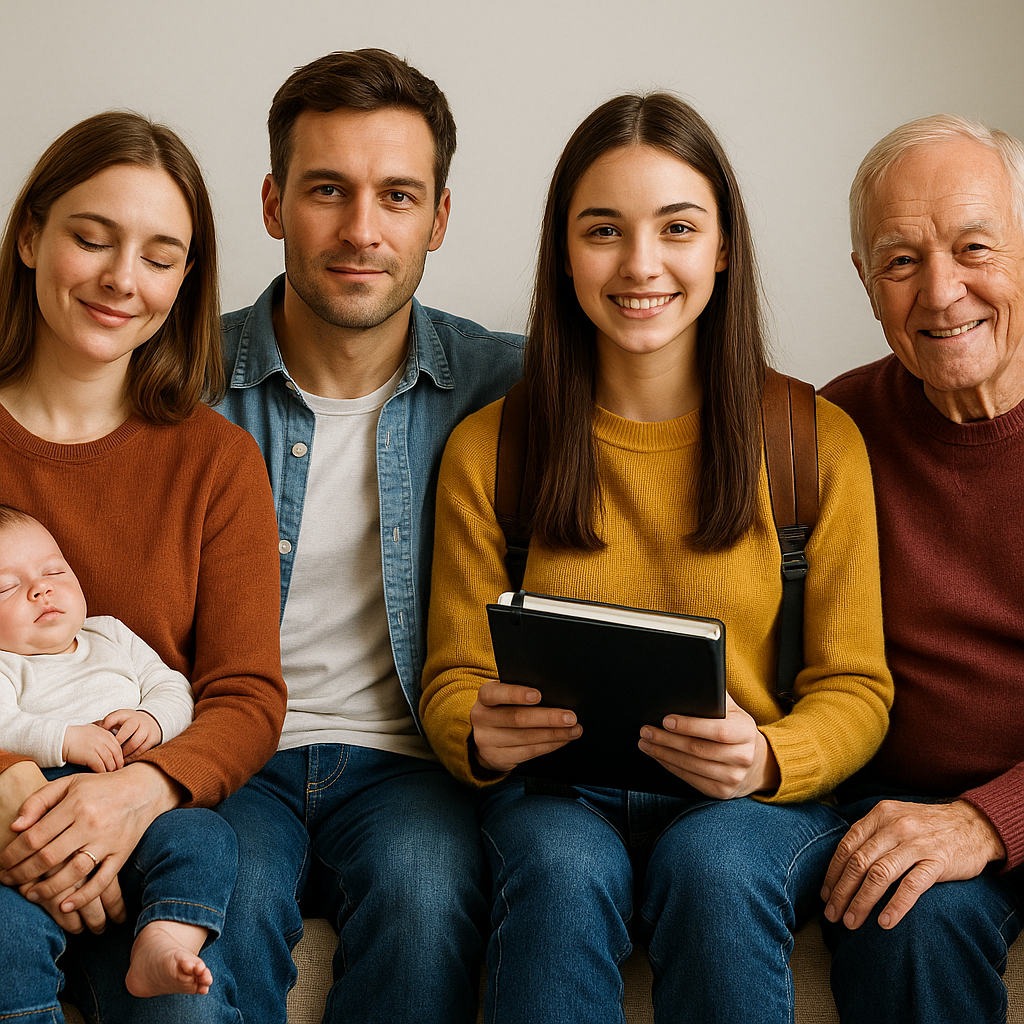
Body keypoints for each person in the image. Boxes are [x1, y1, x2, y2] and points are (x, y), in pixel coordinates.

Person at [420, 92, 894, 1024]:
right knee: (558, 869)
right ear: (564, 250)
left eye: (677, 228)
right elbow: (452, 675)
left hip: (751, 808)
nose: (640, 264)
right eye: (604, 230)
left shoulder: (814, 443)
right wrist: (479, 731)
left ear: (722, 247)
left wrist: (767, 758)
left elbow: (856, 687)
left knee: (712, 868)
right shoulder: (492, 449)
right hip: (558, 796)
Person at [214, 49, 523, 1024]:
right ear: (272, 203)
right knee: (222, 898)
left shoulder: (511, 387)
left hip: (411, 765)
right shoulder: (177, 378)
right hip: (227, 752)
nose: (360, 230)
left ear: (437, 217)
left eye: (396, 196)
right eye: (326, 191)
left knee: (429, 897)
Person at [0, 111, 286, 1024]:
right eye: (93, 238)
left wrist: (137, 792)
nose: (124, 280)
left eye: (161, 256)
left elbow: (245, 694)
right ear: (30, 236)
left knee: (187, 1014)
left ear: (186, 279)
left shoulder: (217, 461)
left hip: (149, 829)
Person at [819, 114, 1024, 1024]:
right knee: (901, 915)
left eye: (975, 248)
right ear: (865, 283)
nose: (942, 295)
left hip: (1009, 800)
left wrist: (988, 819)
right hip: (888, 799)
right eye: (901, 261)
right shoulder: (837, 426)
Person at [0, 504, 234, 998]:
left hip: (137, 807)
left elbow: (173, 689)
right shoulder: (6, 665)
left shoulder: (111, 634)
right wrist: (64, 736)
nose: (40, 589)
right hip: (42, 811)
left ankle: (165, 937)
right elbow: (4, 723)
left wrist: (151, 720)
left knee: (207, 836)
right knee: (9, 932)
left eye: (54, 571)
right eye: (5, 587)